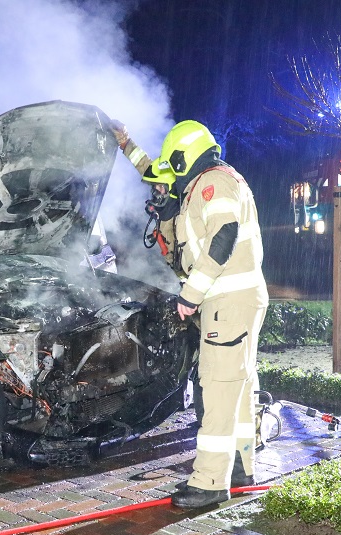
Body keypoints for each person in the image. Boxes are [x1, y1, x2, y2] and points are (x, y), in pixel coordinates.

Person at [114, 120, 268, 510]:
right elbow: (153, 169)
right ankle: (240, 467)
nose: (164, 185)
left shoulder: (214, 183)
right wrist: (125, 143)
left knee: (216, 388)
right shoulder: (207, 179)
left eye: (173, 166)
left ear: (184, 158)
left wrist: (191, 294)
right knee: (239, 385)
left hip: (226, 300)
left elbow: (223, 235)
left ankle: (209, 482)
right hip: (237, 298)